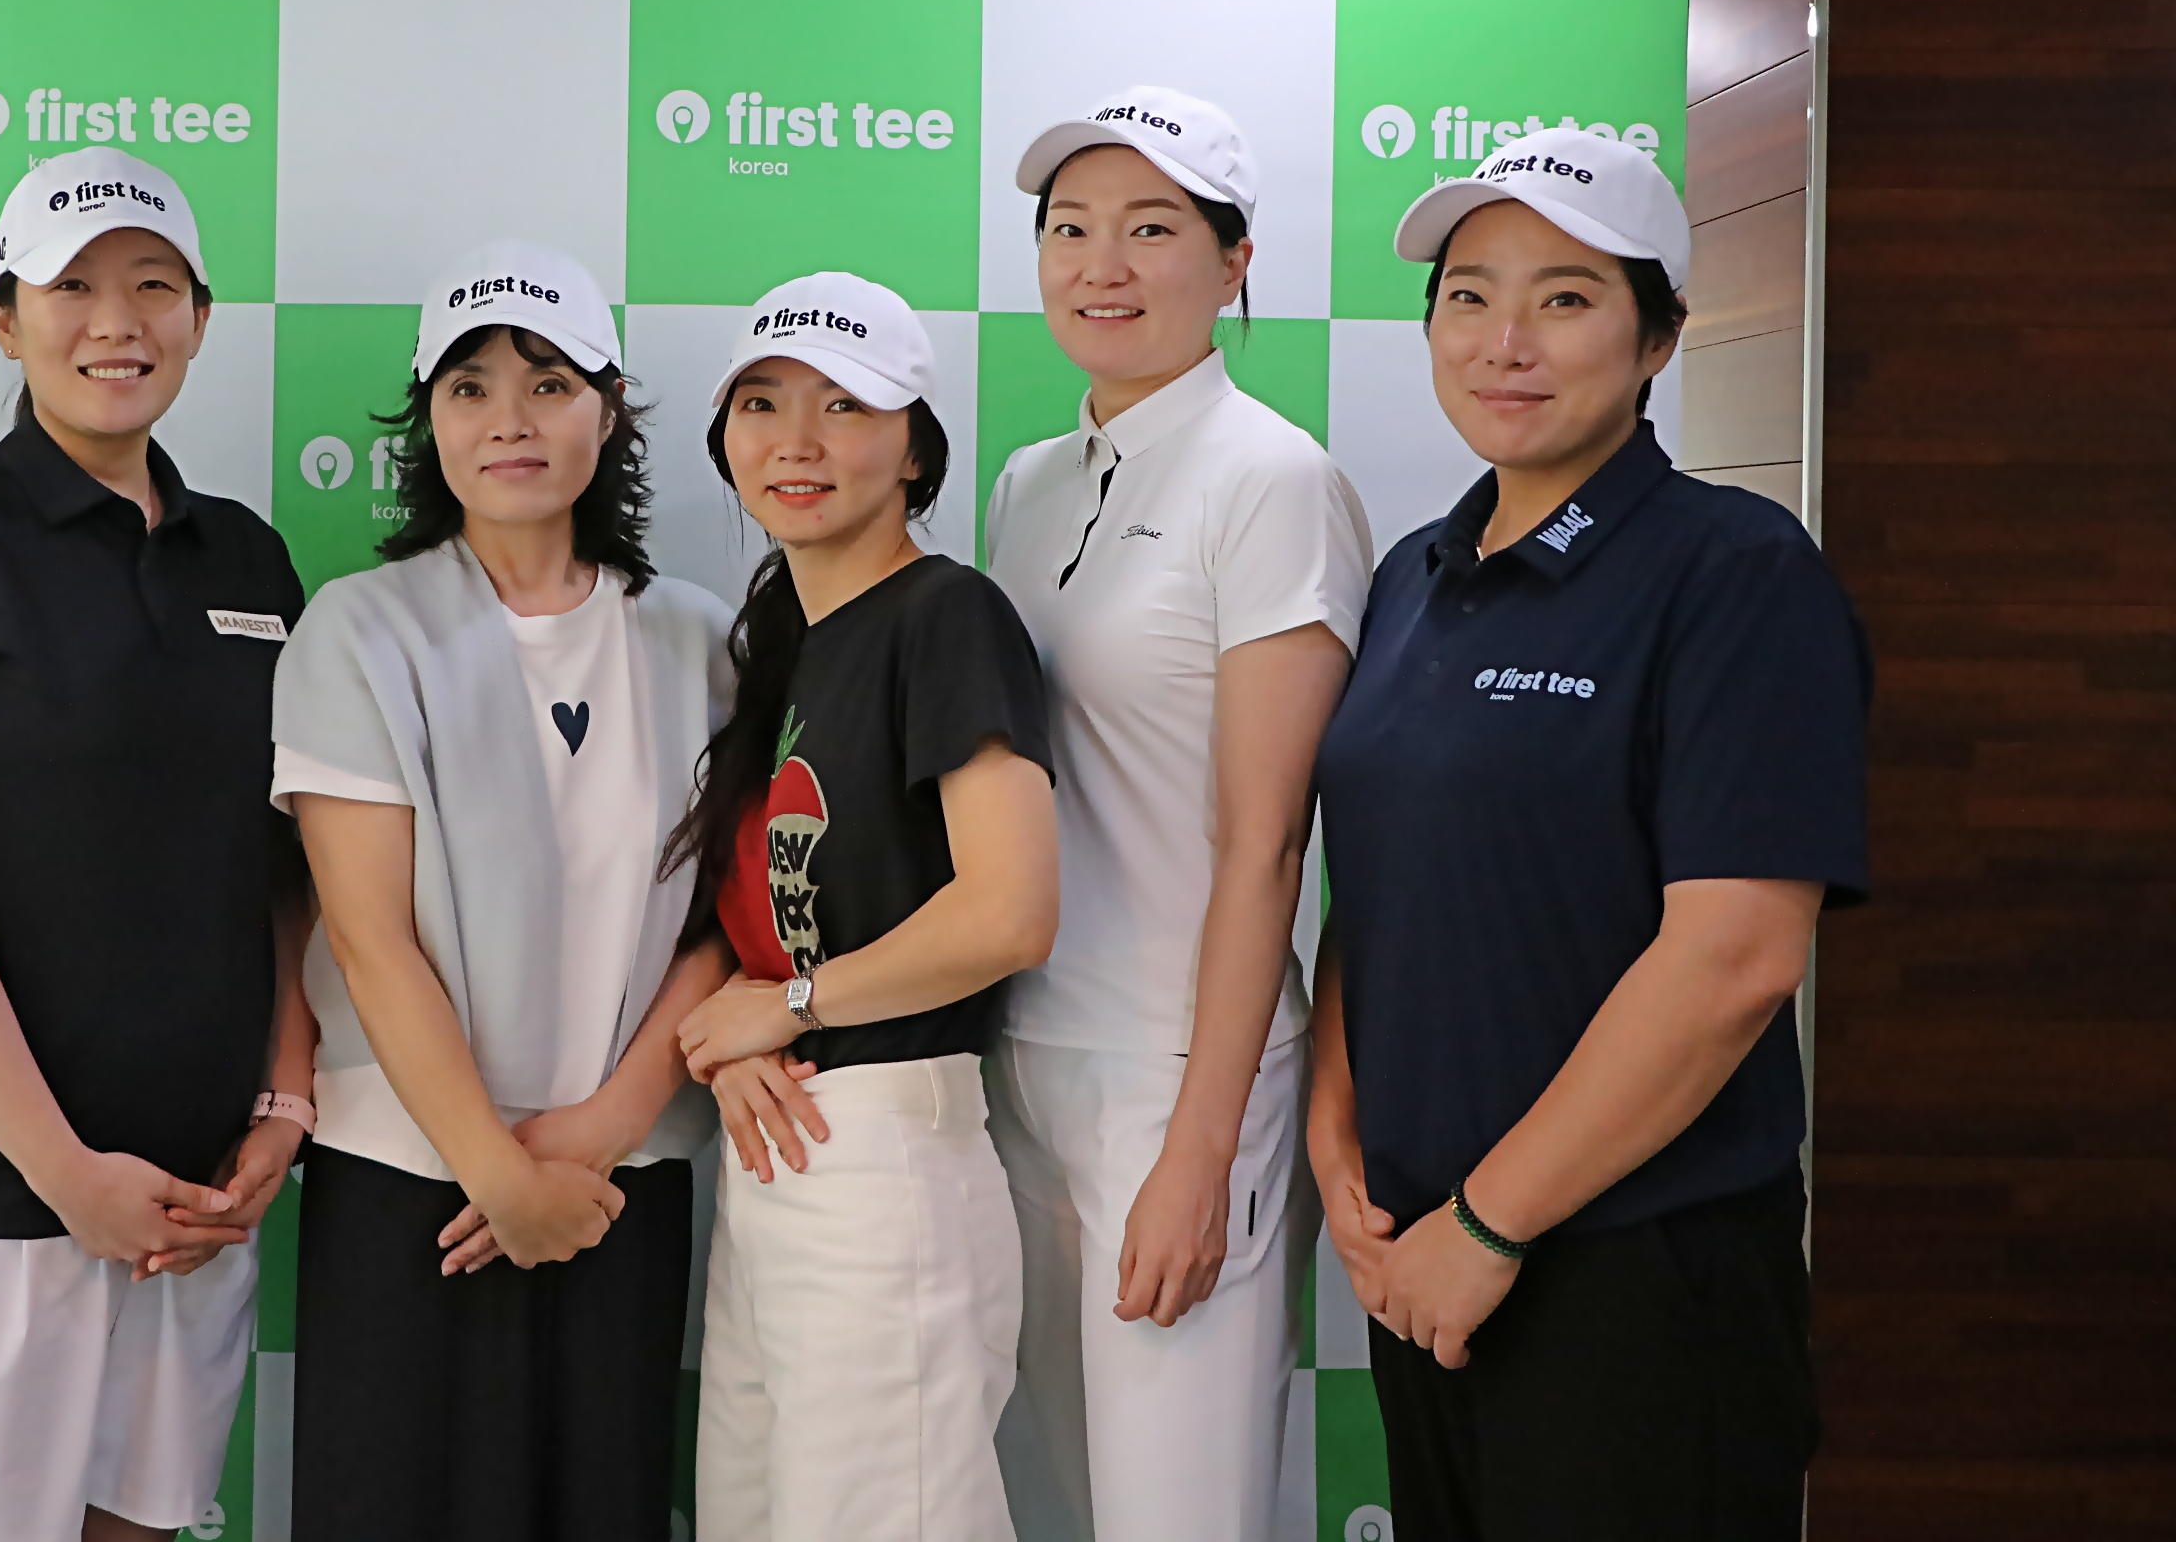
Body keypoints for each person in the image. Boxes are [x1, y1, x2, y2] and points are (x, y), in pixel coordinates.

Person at [1310, 128, 1870, 1541]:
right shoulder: (1413, 575)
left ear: (1657, 338)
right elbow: (1379, 884)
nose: (1505, 341)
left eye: (1564, 298)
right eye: (1469, 296)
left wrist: (1491, 1223)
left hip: (1634, 1268)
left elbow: (1736, 957)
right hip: (1425, 1255)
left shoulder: (1736, 572)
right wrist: (1336, 1127)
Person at [0, 147, 314, 1542]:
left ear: (200, 317)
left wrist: (282, 1103)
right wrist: (62, 1172)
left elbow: (282, 874)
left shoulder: (248, 559)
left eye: (153, 286)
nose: (116, 322)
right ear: (4, 320)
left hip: (194, 1198)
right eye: (71, 287)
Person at [274, 241, 737, 1542]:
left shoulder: (703, 637)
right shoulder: (360, 628)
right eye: (470, 387)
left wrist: (594, 1134)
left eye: (548, 383)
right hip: (410, 1183)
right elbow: (369, 939)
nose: (510, 419)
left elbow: (729, 922)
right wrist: (498, 1171)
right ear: (428, 421)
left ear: (610, 406)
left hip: (619, 1182)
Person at [981, 89, 1372, 1539]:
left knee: (1175, 1516)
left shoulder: (1271, 479)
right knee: (1053, 1502)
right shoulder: (1029, 482)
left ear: (1235, 261)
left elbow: (1266, 843)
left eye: (1152, 229)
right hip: (1020, 1057)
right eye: (1071, 229)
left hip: (1177, 1071)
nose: (1103, 265)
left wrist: (1202, 1150)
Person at [668, 272, 1062, 1542]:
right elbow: (770, 917)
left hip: (888, 1160)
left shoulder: (948, 616)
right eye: (763, 403)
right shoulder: (785, 639)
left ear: (916, 450)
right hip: (781, 1152)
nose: (797, 439)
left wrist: (786, 1005)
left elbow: (1009, 911)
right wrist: (746, 1033)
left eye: (845, 406)